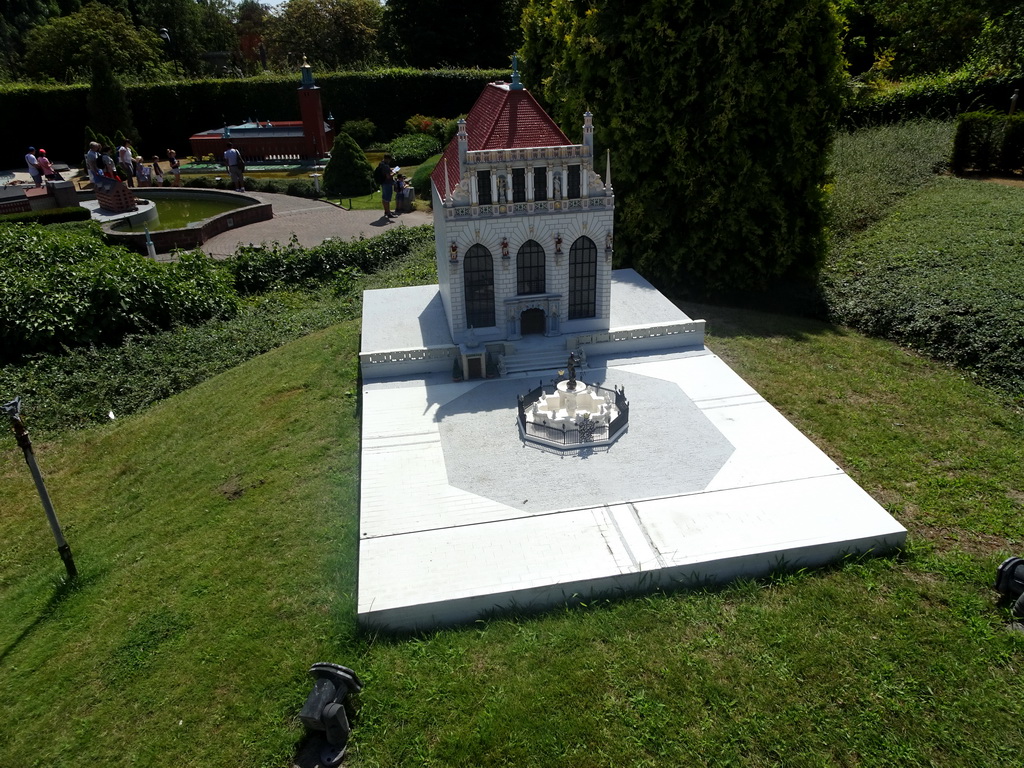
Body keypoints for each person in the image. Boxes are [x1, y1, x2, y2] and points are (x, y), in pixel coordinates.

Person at [376, 153, 396, 220]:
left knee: (384, 198)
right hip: (387, 183)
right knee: (387, 199)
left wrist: (391, 170)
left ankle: (386, 211)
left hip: (383, 183)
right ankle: (388, 213)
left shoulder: (381, 164)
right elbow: (388, 177)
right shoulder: (386, 166)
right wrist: (394, 173)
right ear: (387, 159)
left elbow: (386, 170)